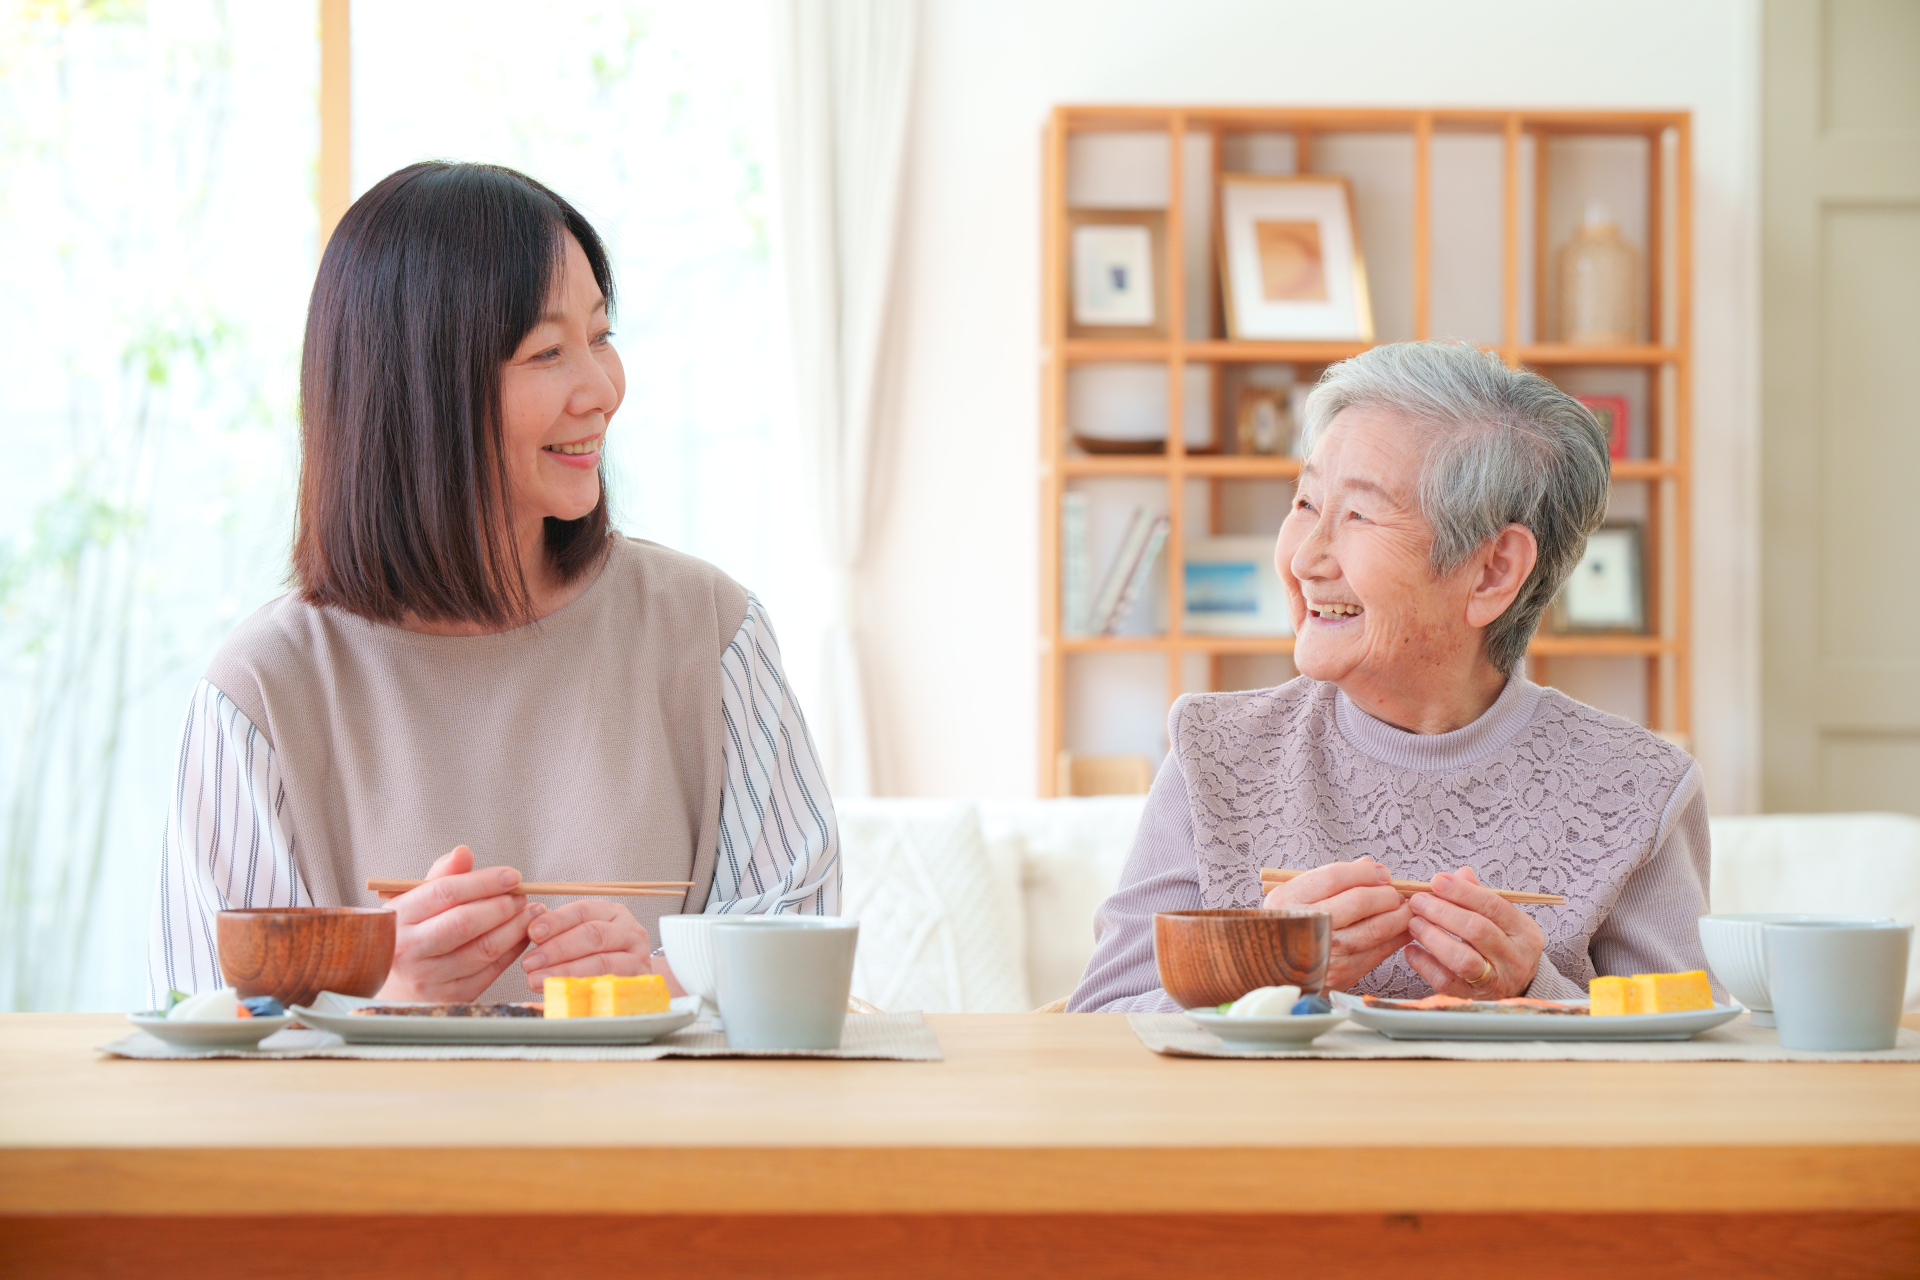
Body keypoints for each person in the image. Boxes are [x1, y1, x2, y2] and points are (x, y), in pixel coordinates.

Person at [147, 162, 837, 1006]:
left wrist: (654, 985)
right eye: (549, 351)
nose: (603, 390)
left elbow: (807, 987)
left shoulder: (709, 632)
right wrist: (386, 993)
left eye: (602, 336)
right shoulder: (261, 692)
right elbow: (200, 1055)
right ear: (420, 392)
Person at [1070, 340, 1715, 1011]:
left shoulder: (1639, 789)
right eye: (1306, 505)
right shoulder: (1216, 754)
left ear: (1492, 571)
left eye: (1357, 514)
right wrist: (1261, 974)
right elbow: (1098, 1026)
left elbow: (1689, 1059)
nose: (1306, 558)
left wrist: (1532, 992)